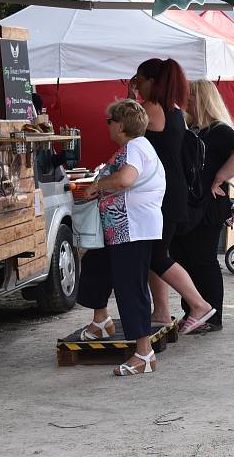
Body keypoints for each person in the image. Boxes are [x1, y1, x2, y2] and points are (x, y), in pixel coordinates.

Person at [76, 99, 166, 375]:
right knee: (95, 266)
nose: (108, 127)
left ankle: (143, 353)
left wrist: (97, 186)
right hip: (120, 229)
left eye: (109, 121)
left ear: (120, 124)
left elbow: (125, 180)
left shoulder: (136, 147)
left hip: (132, 228)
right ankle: (101, 320)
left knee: (130, 288)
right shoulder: (134, 147)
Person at [130, 58, 215, 335]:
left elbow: (126, 132)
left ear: (152, 82)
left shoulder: (151, 109)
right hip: (171, 191)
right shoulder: (174, 109)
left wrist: (131, 102)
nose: (136, 85)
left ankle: (199, 304)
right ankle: (162, 311)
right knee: (159, 252)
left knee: (156, 255)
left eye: (139, 80)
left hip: (163, 195)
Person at [170, 80, 234, 333]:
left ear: (201, 98)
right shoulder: (194, 129)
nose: (187, 100)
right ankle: (195, 309)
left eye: (190, 96)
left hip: (209, 205)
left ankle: (211, 314)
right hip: (193, 204)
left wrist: (219, 177)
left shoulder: (218, 130)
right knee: (185, 258)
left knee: (203, 260)